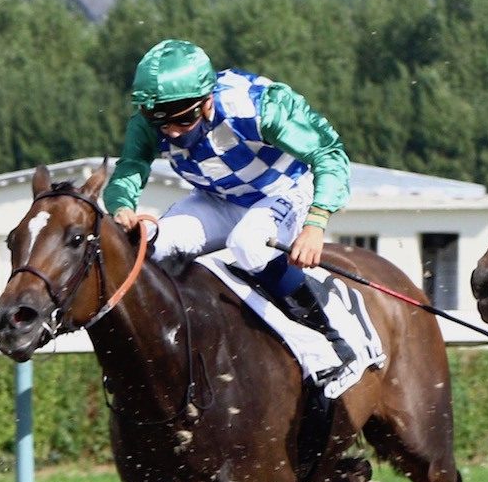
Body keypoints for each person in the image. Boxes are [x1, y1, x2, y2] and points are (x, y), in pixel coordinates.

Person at [102, 38, 353, 366]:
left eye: (182, 120)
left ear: (207, 101)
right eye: (161, 123)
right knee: (150, 247)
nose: (172, 133)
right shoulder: (149, 124)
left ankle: (328, 335)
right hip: (216, 198)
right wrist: (122, 207)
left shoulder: (259, 106)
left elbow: (329, 154)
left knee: (247, 243)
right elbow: (129, 169)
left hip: (284, 189)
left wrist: (316, 223)